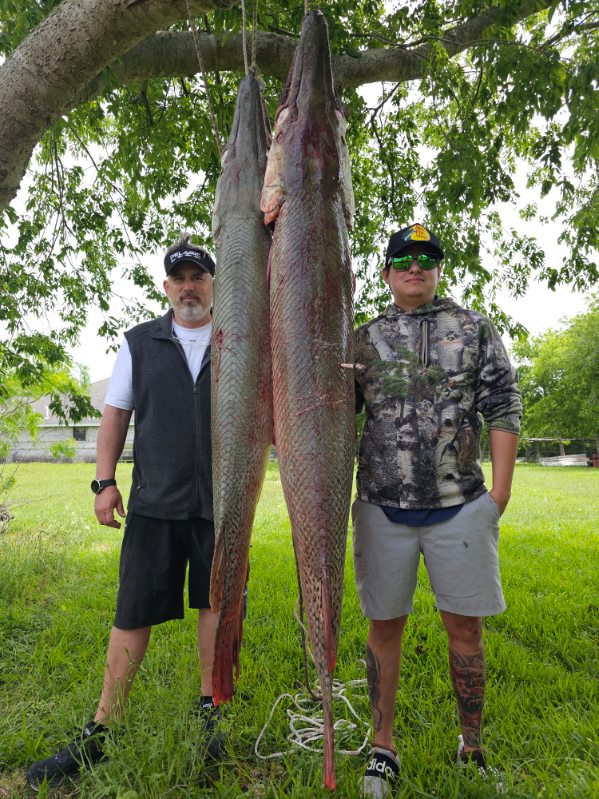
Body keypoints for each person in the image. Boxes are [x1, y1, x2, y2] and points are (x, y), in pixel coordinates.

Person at [28, 237, 222, 790]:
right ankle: (102, 727)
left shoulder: (237, 340)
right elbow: (115, 414)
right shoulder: (140, 342)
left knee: (216, 604)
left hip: (220, 501)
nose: (189, 286)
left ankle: (209, 711)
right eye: (179, 278)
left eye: (198, 277)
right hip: (154, 501)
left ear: (213, 286)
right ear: (166, 287)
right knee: (132, 608)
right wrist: (105, 481)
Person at [353, 224, 521, 798]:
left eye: (426, 258)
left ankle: (471, 746)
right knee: (384, 628)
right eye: (404, 258)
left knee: (465, 630)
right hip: (381, 506)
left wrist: (499, 493)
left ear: (438, 269)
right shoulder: (362, 339)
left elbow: (502, 402)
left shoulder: (473, 329)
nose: (415, 267)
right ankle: (382, 746)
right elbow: (329, 413)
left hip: (461, 506)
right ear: (387, 273)